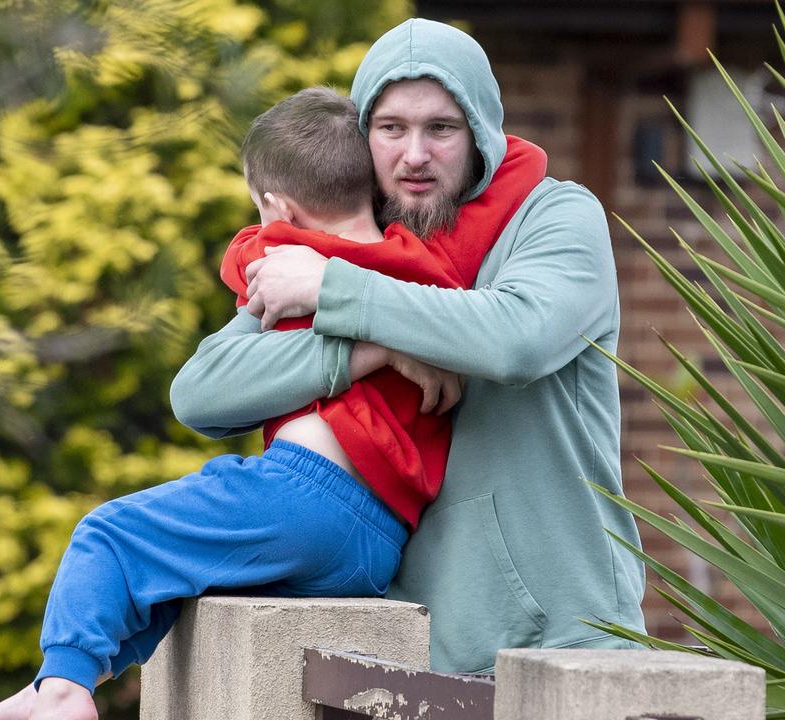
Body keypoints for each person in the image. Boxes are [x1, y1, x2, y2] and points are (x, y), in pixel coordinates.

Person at [0, 85, 544, 720]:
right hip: (380, 540)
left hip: (303, 491)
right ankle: (61, 681)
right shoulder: (424, 263)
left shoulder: (283, 263)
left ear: (275, 207)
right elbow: (519, 169)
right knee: (184, 576)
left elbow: (241, 260)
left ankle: (67, 692)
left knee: (107, 536)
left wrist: (269, 237)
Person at [172, 18, 648, 674]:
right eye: (391, 128)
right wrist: (368, 350)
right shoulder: (352, 244)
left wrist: (340, 292)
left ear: (480, 130)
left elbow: (516, 339)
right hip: (417, 655)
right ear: (364, 135)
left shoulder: (557, 216)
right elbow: (203, 391)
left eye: (441, 129)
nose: (414, 154)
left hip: (565, 647)